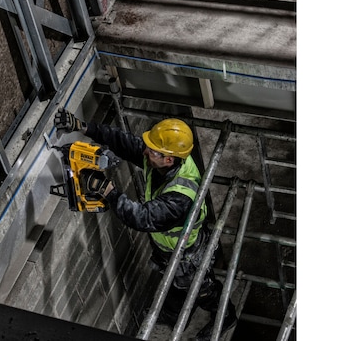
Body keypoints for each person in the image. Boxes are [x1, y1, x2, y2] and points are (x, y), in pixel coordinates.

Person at [54, 107, 237, 340]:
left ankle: (226, 317)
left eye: (152, 150)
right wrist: (85, 127)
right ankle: (173, 316)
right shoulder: (167, 158)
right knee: (171, 282)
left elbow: (142, 217)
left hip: (186, 253)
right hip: (167, 248)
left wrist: (107, 190)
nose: (146, 151)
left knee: (202, 289)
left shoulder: (179, 197)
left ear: (168, 159)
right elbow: (127, 144)